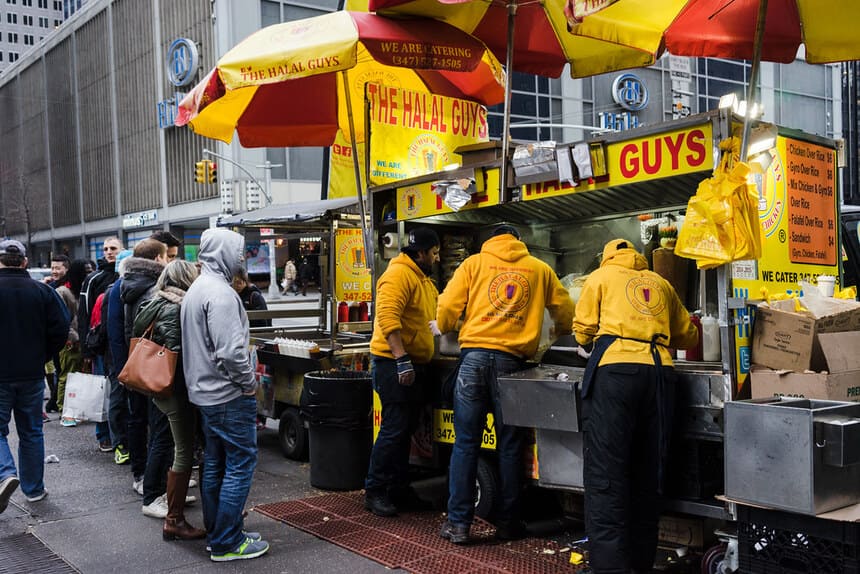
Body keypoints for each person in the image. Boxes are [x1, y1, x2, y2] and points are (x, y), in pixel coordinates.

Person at [435, 224, 575, 544]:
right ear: (518, 241)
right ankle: (509, 524)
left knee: (466, 444)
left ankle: (459, 524)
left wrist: (444, 326)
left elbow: (446, 309)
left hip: (472, 363)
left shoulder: (473, 264)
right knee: (510, 446)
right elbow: (565, 310)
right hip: (512, 367)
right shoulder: (539, 268)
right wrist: (559, 331)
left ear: (489, 241)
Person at [573, 239, 698, 574]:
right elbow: (687, 334)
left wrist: (589, 343)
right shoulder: (661, 283)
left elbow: (583, 329)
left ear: (608, 256)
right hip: (661, 376)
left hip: (616, 374)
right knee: (648, 474)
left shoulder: (600, 278)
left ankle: (611, 568)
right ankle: (640, 565)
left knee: (607, 475)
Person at [181, 228, 269, 562]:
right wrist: (249, 383)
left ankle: (219, 533)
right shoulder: (220, 294)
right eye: (238, 251)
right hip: (228, 395)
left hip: (205, 394)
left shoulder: (198, 289)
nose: (242, 257)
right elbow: (231, 353)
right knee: (239, 464)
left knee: (216, 464)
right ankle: (227, 541)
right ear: (223, 254)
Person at [364, 227, 439, 517]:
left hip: (411, 363)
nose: (436, 257)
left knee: (405, 429)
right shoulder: (398, 275)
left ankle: (398, 488)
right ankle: (375, 490)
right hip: (392, 363)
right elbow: (387, 317)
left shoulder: (421, 279)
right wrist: (401, 359)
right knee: (394, 429)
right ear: (420, 253)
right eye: (433, 253)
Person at [133, 260, 205, 541]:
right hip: (174, 388)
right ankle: (174, 519)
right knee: (184, 449)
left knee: (172, 443)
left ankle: (171, 506)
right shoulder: (176, 308)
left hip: (156, 385)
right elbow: (177, 352)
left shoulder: (156, 301)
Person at [0, 240, 69, 512]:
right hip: (31, 373)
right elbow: (61, 329)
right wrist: (42, 355)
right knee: (31, 431)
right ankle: (34, 489)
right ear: (25, 262)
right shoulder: (42, 291)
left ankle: (5, 473)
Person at [117, 239, 173, 518]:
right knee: (161, 430)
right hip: (156, 366)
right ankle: (154, 493)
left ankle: (158, 488)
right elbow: (159, 332)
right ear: (157, 259)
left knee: (150, 425)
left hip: (139, 364)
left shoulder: (127, 285)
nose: (168, 262)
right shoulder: (152, 290)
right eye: (166, 257)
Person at [77, 236, 123, 450]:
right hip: (100, 347)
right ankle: (103, 433)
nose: (108, 252)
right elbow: (84, 315)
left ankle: (119, 435)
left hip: (116, 346)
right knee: (100, 391)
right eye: (105, 248)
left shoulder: (124, 275)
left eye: (113, 248)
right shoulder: (93, 279)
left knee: (116, 393)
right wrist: (86, 350)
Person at [54, 259, 89, 416]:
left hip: (82, 339)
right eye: (86, 271)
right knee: (66, 375)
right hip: (69, 340)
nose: (89, 274)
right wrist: (71, 337)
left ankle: (76, 407)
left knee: (80, 376)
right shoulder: (63, 291)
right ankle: (63, 407)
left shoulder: (82, 289)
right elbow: (60, 318)